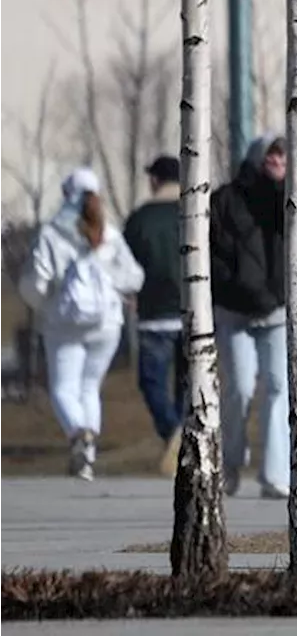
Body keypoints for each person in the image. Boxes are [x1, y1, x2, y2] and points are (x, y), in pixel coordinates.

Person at [18, 167, 145, 481]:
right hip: (106, 322)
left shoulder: (51, 233)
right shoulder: (110, 234)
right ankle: (86, 460)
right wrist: (109, 285)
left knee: (63, 388)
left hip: (64, 322)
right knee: (90, 387)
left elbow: (36, 284)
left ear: (66, 194)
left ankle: (78, 434)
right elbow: (135, 277)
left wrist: (44, 307)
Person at [209, 133, 290, 499]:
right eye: (271, 153)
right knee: (240, 387)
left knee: (279, 388)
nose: (277, 160)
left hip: (276, 312)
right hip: (234, 312)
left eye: (283, 155)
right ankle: (231, 462)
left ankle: (274, 473)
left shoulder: (292, 200)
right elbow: (211, 253)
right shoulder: (225, 199)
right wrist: (234, 286)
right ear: (257, 156)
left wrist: (286, 193)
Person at [123, 155, 186, 476]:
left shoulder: (139, 220)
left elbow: (124, 264)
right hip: (191, 311)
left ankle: (170, 429)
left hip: (152, 311)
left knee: (151, 382)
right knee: (186, 383)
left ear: (156, 180)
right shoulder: (194, 213)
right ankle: (182, 436)